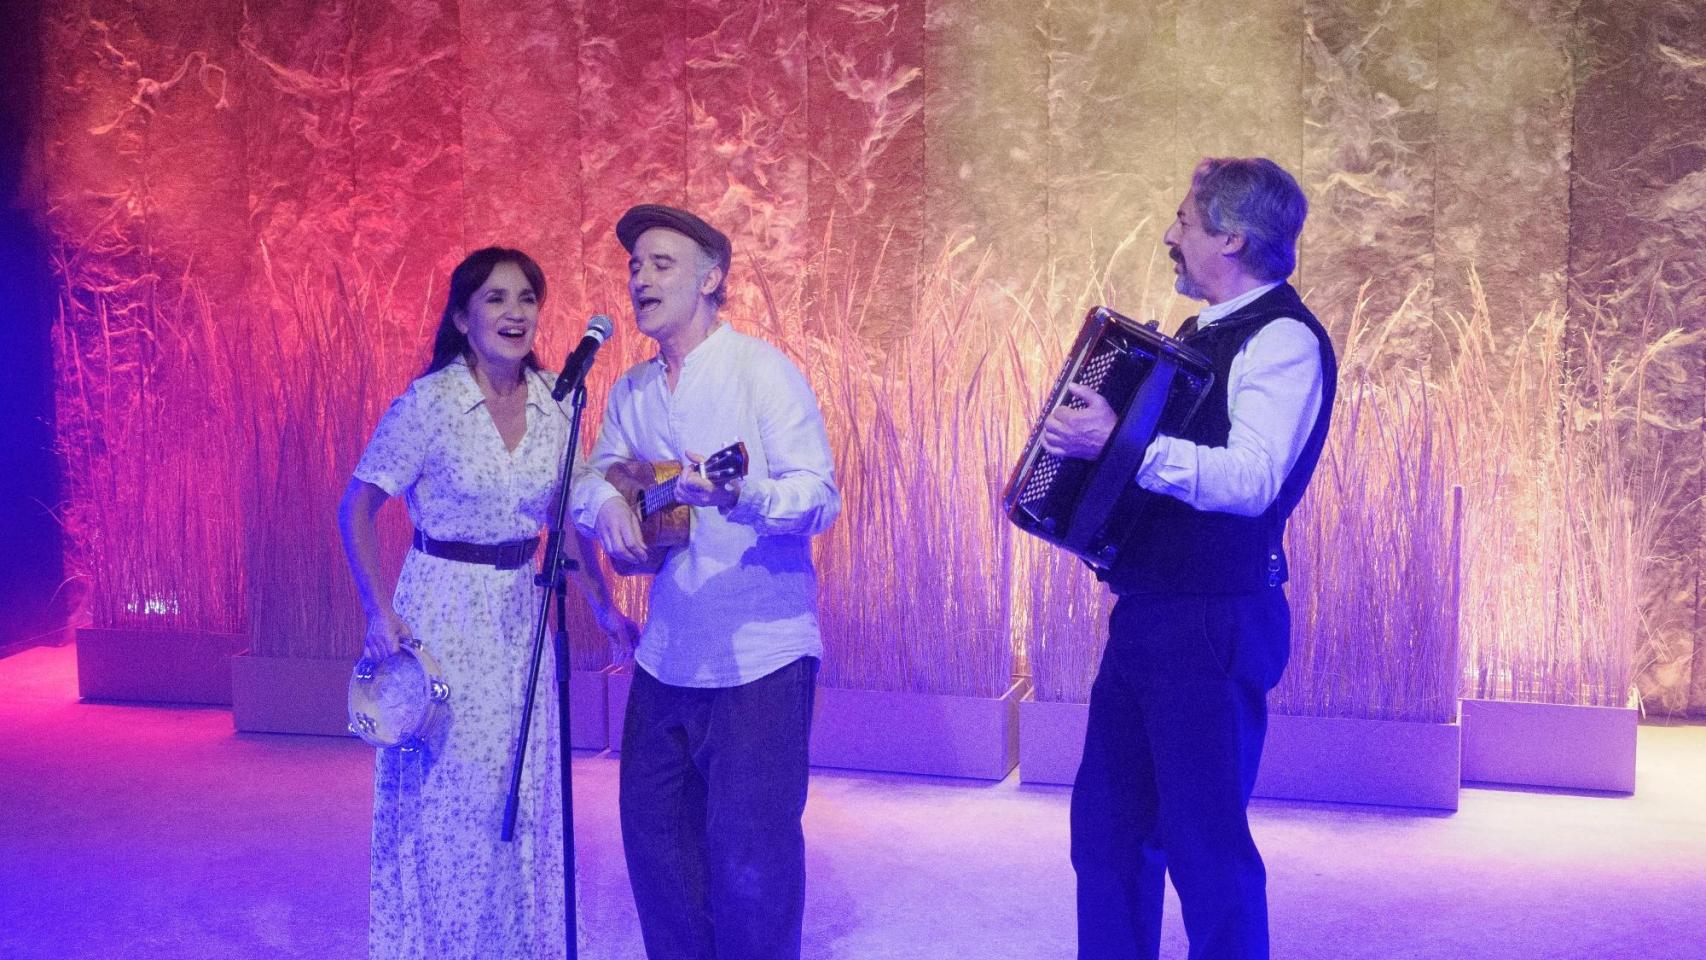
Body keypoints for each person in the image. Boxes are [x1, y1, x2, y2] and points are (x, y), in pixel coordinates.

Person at [1042, 158, 1339, 960]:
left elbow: (1249, 481)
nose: (1171, 237)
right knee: (1106, 836)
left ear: (1231, 238)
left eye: (1184, 221)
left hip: (1213, 619)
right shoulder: (1200, 335)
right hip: (1150, 615)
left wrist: (1119, 443)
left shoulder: (1280, 337)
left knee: (1207, 852)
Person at [337, 246, 634, 960]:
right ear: (464, 318)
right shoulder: (431, 402)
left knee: (522, 789)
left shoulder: (553, 405)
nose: (514, 312)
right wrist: (378, 610)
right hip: (442, 609)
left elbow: (565, 516)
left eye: (527, 298)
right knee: (453, 796)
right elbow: (356, 507)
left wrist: (600, 607)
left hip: (521, 614)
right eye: (496, 299)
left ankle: (518, 943)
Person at [571, 204, 840, 960]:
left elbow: (820, 494)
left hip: (761, 650)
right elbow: (592, 477)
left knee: (751, 859)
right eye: (633, 267)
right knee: (656, 846)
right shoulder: (629, 391)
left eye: (661, 263)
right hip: (667, 651)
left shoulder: (763, 372)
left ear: (711, 278)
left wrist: (740, 495)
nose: (640, 279)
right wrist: (606, 509)